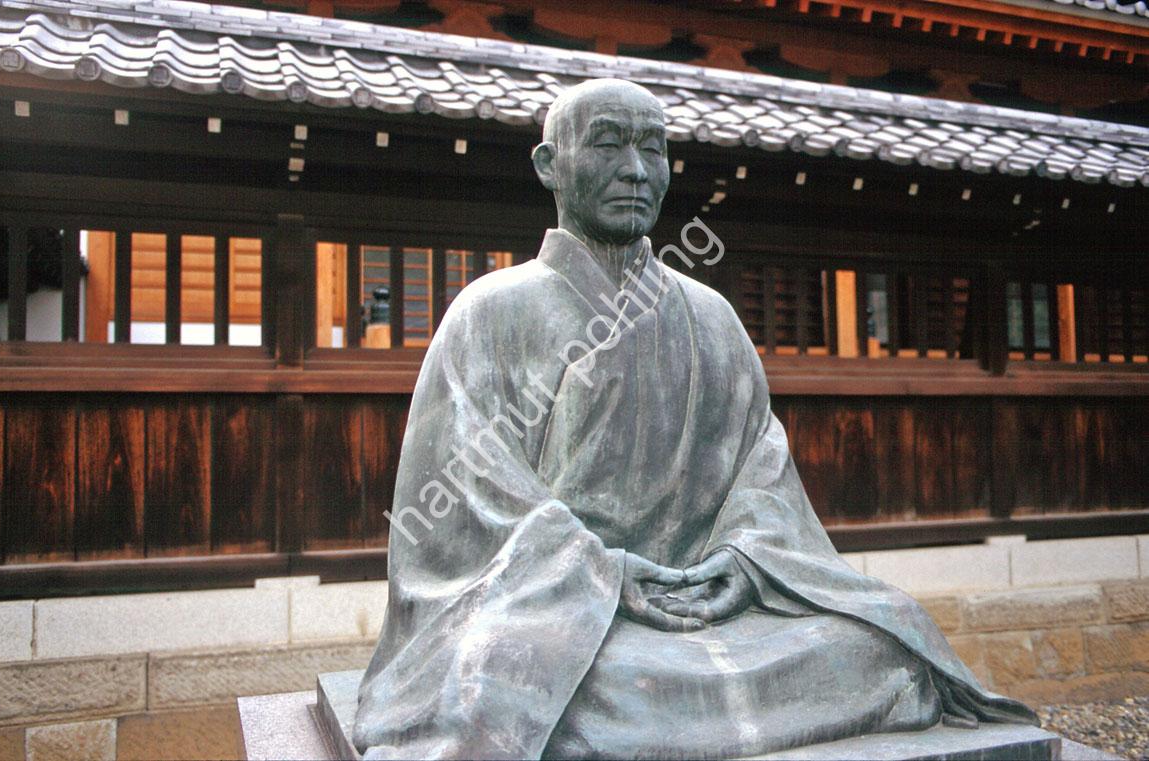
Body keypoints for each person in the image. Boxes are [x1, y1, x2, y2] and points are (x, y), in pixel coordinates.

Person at [352, 78, 1037, 760]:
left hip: (715, 604)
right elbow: (462, 492)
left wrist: (744, 560)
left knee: (880, 638)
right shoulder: (491, 311)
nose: (635, 170)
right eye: (607, 145)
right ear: (547, 165)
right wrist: (605, 573)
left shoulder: (710, 315)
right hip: (562, 607)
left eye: (654, 149)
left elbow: (760, 470)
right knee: (503, 681)